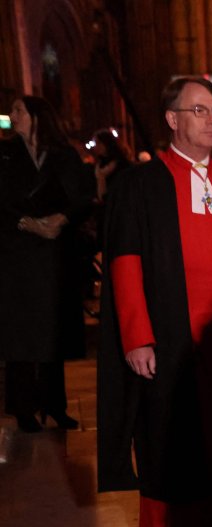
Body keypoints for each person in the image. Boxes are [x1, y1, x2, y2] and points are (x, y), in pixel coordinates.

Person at [98, 77, 212, 527]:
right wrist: (137, 337)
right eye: (200, 111)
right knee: (174, 441)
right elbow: (125, 262)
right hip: (171, 338)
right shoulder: (140, 184)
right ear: (172, 119)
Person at [0, 96, 93, 433]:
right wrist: (25, 222)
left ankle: (55, 405)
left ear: (38, 116)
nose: (12, 116)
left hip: (55, 254)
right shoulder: (6, 154)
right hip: (18, 254)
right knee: (21, 333)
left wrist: (62, 218)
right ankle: (23, 407)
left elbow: (84, 196)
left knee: (52, 331)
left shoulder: (63, 154)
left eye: (18, 110)